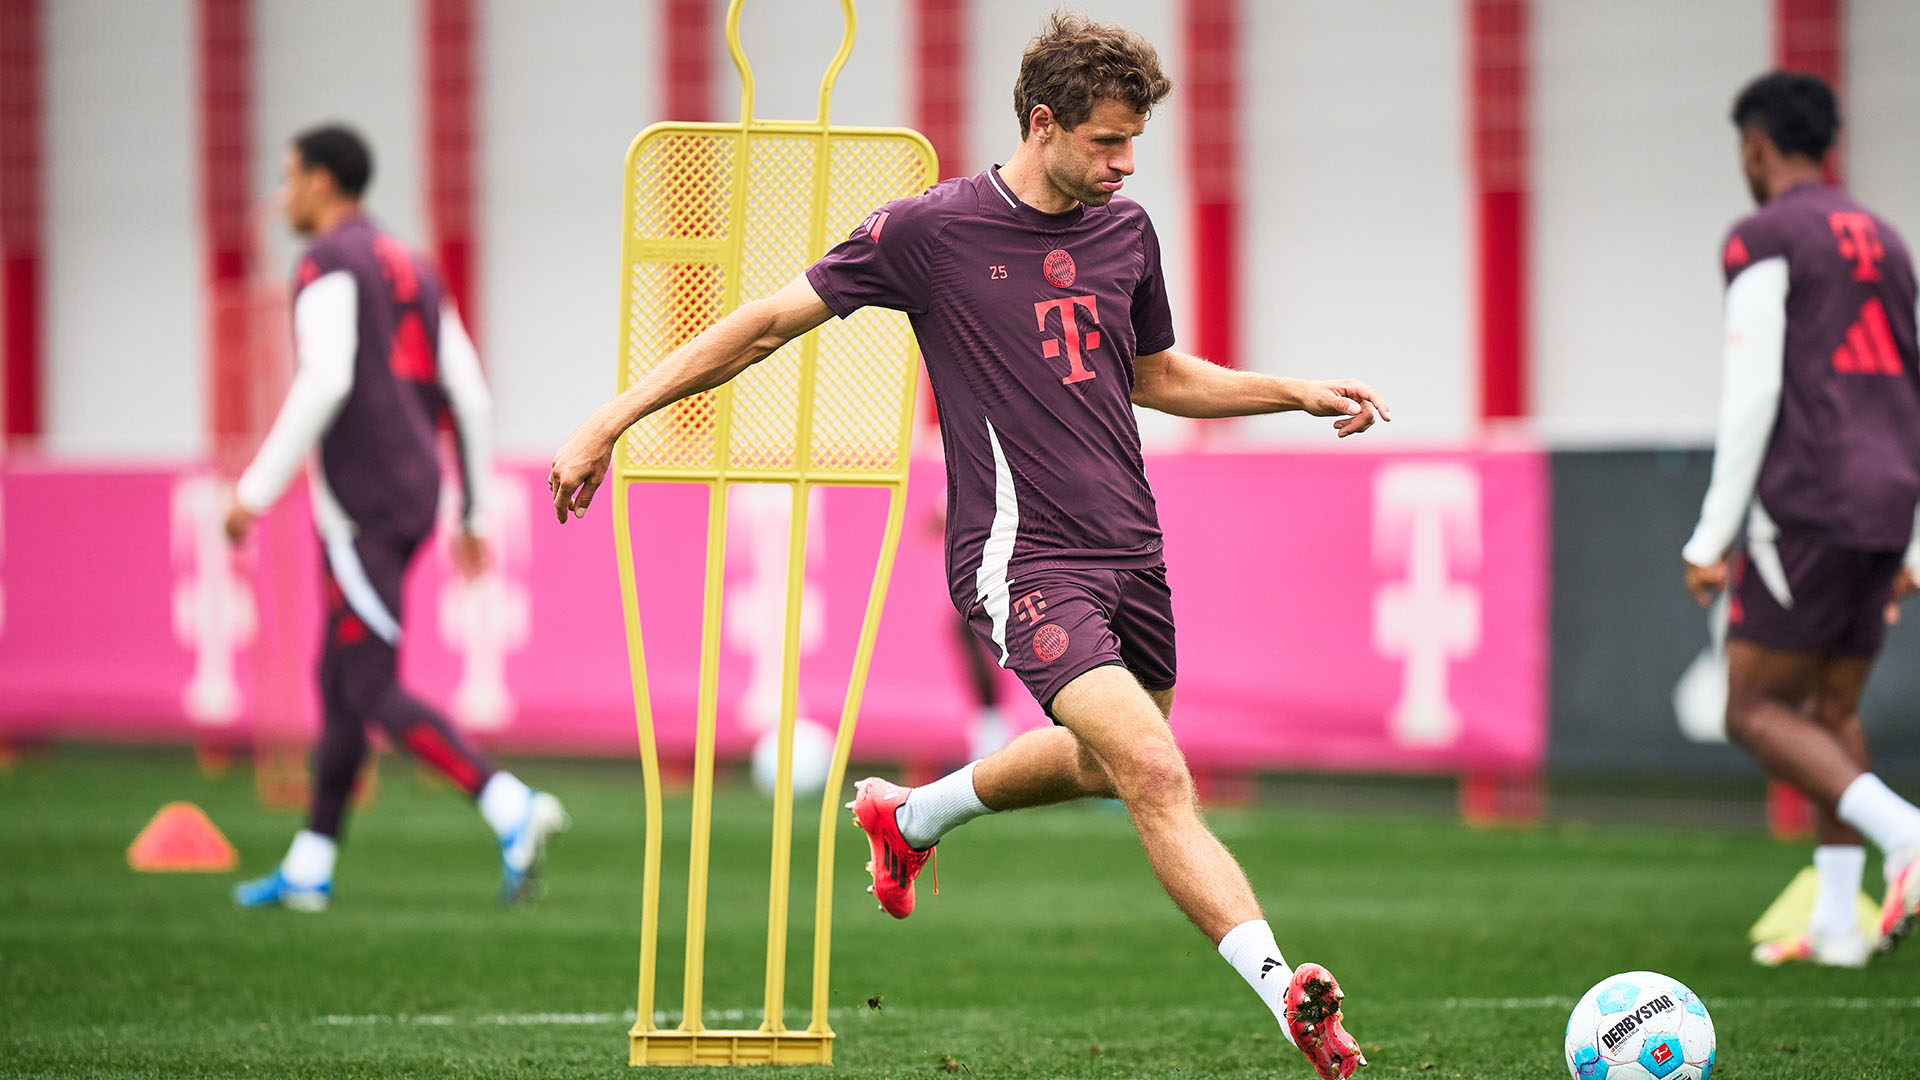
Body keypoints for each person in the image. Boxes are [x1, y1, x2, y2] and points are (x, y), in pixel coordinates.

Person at [551, 16, 1383, 1075]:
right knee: (1154, 771)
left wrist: (1294, 391)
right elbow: (763, 325)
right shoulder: (929, 233)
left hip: (1131, 551)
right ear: (1043, 124)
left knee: (1100, 761)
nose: (1128, 165)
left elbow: (1156, 375)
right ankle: (1286, 991)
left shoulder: (1125, 233)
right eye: (1108, 142)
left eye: (1136, 144)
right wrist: (608, 420)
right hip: (1019, 559)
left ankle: (914, 815)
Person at [227, 124, 566, 911]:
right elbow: (471, 395)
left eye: (290, 177)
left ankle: (508, 805)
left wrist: (254, 489)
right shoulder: (412, 263)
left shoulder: (325, 262)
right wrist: (473, 510)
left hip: (363, 502)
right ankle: (311, 865)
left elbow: (324, 380)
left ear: (319, 183)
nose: (284, 195)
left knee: (369, 682)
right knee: (339, 676)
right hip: (416, 490)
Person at [1683, 71, 1920, 967]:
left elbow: (1755, 391)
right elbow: (1910, 376)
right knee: (1830, 709)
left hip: (1811, 499)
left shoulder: (1764, 234)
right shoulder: (1889, 241)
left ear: (1755, 145)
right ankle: (1833, 928)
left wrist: (1711, 537)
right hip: (1889, 497)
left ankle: (1906, 836)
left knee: (1752, 708)